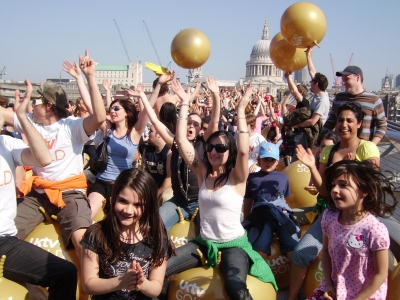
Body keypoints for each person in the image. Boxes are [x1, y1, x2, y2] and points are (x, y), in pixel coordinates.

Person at [160, 82, 277, 300]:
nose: (214, 151)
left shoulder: (237, 176)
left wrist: (241, 111)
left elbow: (244, 150)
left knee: (236, 288)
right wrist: (184, 104)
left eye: (221, 148)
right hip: (204, 243)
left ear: (229, 152)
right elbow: (182, 141)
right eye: (211, 147)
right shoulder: (203, 172)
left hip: (233, 244)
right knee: (162, 270)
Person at [0, 50, 106, 256]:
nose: (32, 105)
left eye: (37, 101)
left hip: (70, 193)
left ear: (48, 106)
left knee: (83, 242)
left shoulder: (71, 127)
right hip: (38, 195)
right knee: (7, 234)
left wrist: (90, 77)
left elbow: (100, 117)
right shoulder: (29, 121)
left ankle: (94, 285)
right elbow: (3, 113)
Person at [287, 101, 381, 300]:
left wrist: (348, 167)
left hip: (358, 218)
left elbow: (371, 186)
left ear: (359, 124)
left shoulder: (368, 148)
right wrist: (312, 166)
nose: (344, 125)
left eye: (349, 120)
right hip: (332, 214)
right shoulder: (329, 152)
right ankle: (293, 296)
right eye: (340, 120)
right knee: (301, 253)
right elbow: (324, 191)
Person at [0, 80, 77, 299]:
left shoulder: (7, 144)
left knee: (65, 273)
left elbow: (44, 158)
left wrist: (22, 118)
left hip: (4, 241)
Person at [140, 76, 221, 232]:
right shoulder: (175, 143)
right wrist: (143, 96)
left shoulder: (205, 144)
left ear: (200, 130)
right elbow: (155, 122)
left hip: (200, 202)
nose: (191, 126)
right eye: (188, 122)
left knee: (208, 231)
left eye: (195, 124)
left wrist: (215, 95)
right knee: (156, 226)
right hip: (178, 201)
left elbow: (215, 121)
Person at [307, 160, 397, 299]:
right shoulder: (329, 217)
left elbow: (381, 274)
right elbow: (325, 251)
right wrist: (329, 285)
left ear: (364, 191)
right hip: (334, 288)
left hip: (364, 295)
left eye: (343, 185)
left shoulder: (374, 230)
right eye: (333, 185)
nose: (335, 190)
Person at [80, 168, 174, 299]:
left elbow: (156, 288)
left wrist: (142, 283)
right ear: (114, 198)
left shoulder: (157, 237)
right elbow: (88, 284)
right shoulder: (96, 234)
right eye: (123, 201)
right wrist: (121, 282)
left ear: (148, 206)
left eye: (137, 205)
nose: (128, 210)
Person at [243, 142, 298, 261]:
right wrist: (246, 218)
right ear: (259, 159)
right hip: (262, 217)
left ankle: (295, 277)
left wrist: (286, 213)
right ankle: (260, 276)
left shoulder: (283, 177)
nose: (268, 163)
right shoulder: (252, 178)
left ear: (277, 161)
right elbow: (248, 200)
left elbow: (285, 198)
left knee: (292, 248)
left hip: (280, 216)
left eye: (272, 160)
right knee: (260, 250)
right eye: (265, 159)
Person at [323, 65, 387, 145]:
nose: (343, 82)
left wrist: (371, 146)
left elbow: (382, 126)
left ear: (358, 78)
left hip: (362, 150)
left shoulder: (374, 100)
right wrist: (319, 142)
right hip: (340, 148)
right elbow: (330, 122)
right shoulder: (339, 98)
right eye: (343, 79)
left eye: (346, 79)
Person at [142, 124, 172, 204]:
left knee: (165, 196)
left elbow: (169, 179)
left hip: (165, 188)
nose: (148, 133)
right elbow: (144, 172)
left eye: (151, 131)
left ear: (159, 134)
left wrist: (156, 194)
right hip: (151, 186)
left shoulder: (169, 152)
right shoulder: (147, 150)